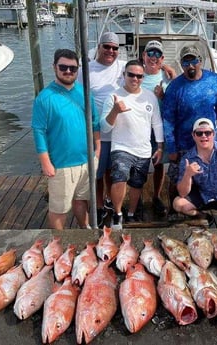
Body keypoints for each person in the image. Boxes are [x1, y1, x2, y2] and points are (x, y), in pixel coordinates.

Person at [32, 49, 101, 230]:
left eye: (73, 68)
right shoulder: (44, 98)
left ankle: (84, 229)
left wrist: (98, 148)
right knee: (59, 209)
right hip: (61, 164)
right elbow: (38, 131)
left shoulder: (85, 92)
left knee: (81, 200)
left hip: (87, 161)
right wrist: (45, 162)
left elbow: (94, 122)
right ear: (54, 67)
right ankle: (59, 241)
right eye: (63, 67)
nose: (68, 71)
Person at [161, 44, 217, 209]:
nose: (190, 66)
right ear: (181, 64)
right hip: (183, 144)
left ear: (201, 61)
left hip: (208, 140)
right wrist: (171, 148)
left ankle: (204, 208)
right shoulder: (174, 87)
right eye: (185, 62)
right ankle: (173, 210)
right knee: (177, 178)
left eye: (194, 61)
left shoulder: (214, 80)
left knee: (206, 177)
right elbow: (168, 120)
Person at [101, 60, 164, 230]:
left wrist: (159, 147)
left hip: (143, 149)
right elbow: (104, 127)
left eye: (139, 76)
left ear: (143, 77)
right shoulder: (114, 96)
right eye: (131, 74)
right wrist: (115, 111)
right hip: (121, 147)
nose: (135, 78)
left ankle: (131, 213)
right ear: (124, 75)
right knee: (119, 177)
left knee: (137, 183)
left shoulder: (149, 96)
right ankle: (117, 214)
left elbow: (157, 123)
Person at [77, 32, 126, 227]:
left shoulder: (123, 67)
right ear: (98, 47)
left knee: (110, 172)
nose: (110, 51)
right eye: (107, 46)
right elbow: (76, 96)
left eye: (115, 48)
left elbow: (146, 70)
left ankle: (108, 201)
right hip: (96, 132)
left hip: (118, 132)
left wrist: (168, 70)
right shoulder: (85, 70)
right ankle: (98, 205)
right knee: (97, 172)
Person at [141, 40, 176, 217]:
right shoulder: (135, 73)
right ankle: (137, 197)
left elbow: (175, 101)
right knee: (137, 165)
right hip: (139, 129)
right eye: (150, 53)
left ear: (162, 59)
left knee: (159, 164)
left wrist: (162, 97)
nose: (153, 57)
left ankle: (155, 196)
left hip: (159, 128)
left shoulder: (168, 78)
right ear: (144, 56)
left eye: (157, 55)